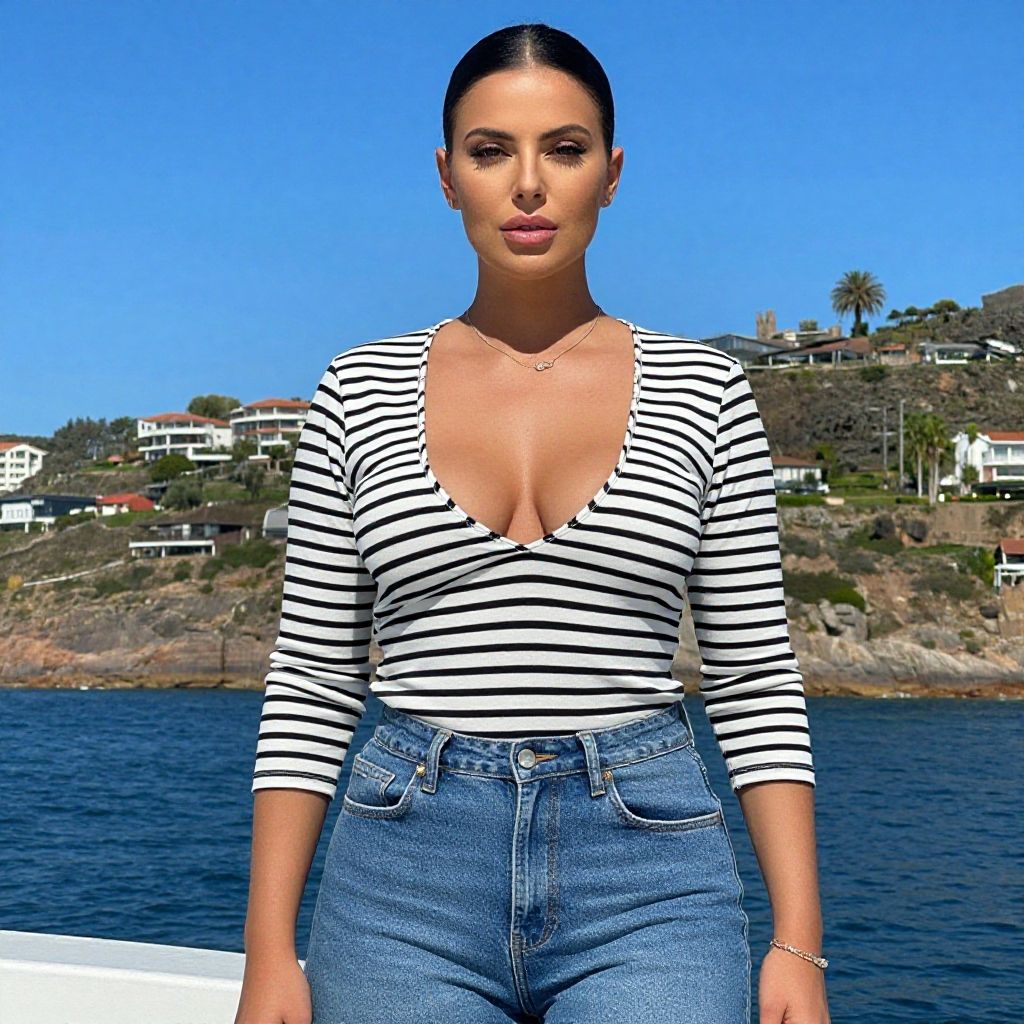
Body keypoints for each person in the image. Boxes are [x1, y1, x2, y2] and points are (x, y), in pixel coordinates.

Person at [234, 22, 829, 1024]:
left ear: (611, 174)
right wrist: (266, 952)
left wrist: (798, 946)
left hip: (650, 881)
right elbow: (312, 680)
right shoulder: (356, 390)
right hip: (399, 885)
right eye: (489, 151)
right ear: (446, 176)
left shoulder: (705, 390)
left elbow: (754, 679)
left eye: (564, 148)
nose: (526, 185)